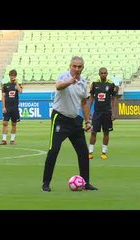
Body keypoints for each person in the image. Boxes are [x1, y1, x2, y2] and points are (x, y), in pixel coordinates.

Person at [41, 56, 98, 192]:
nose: (76, 69)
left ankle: (85, 182)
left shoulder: (83, 82)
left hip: (74, 120)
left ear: (82, 68)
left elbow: (84, 102)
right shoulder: (64, 76)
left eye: (79, 67)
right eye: (74, 66)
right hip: (60, 118)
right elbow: (58, 86)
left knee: (83, 152)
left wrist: (88, 120)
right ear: (70, 66)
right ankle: (46, 183)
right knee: (53, 150)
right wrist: (70, 81)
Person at [88, 67, 118, 160]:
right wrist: (88, 110)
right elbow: (91, 97)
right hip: (97, 113)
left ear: (107, 73)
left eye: (105, 73)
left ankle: (104, 153)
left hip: (107, 112)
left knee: (106, 132)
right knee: (93, 132)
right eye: (101, 73)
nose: (103, 74)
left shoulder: (111, 84)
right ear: (99, 74)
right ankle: (90, 152)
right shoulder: (95, 84)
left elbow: (114, 98)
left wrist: (114, 112)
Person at [0, 69, 22, 145]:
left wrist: (16, 83)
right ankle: (4, 139)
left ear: (15, 76)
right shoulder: (5, 85)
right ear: (9, 76)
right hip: (7, 107)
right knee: (5, 123)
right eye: (11, 75)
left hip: (15, 107)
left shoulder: (17, 85)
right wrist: (3, 107)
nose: (12, 77)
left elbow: (20, 91)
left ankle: (12, 140)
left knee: (14, 123)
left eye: (14, 75)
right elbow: (3, 97)